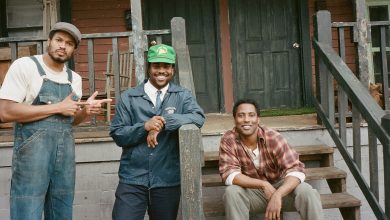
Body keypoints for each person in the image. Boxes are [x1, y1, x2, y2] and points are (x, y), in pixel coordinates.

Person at [0, 22, 111, 220]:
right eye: (59, 40)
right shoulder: (25, 66)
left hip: (64, 158)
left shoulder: (73, 78)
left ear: (74, 50)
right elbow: (5, 112)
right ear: (49, 41)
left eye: (69, 43)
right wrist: (58, 107)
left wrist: (85, 111)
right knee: (27, 211)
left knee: (62, 210)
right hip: (32, 157)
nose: (63, 46)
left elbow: (70, 121)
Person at [110, 43, 205, 220]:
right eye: (156, 66)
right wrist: (144, 127)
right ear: (148, 68)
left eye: (166, 66)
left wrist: (162, 122)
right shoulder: (129, 97)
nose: (162, 71)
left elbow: (198, 117)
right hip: (133, 178)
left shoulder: (182, 96)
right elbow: (118, 134)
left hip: (167, 178)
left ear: (173, 69)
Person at [219, 99, 323, 220]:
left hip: (282, 191)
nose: (246, 119)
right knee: (232, 193)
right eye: (241, 115)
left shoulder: (273, 137)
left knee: (307, 191)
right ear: (235, 119)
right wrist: (263, 184)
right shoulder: (229, 140)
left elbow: (296, 170)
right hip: (253, 193)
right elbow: (230, 175)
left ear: (258, 119)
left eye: (251, 115)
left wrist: (278, 195)